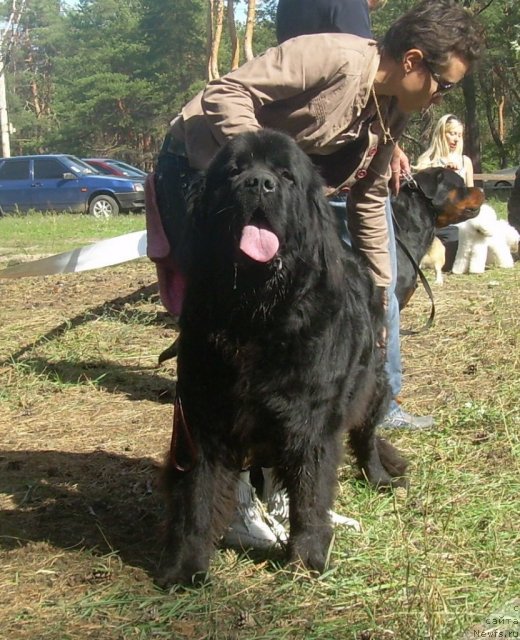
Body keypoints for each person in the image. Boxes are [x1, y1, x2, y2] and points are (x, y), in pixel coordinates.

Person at [150, 0, 482, 549]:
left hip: (271, 197)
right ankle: (216, 502)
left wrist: (379, 294)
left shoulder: (390, 109)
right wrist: (270, 163)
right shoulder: (331, 56)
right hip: (205, 169)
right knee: (216, 341)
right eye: (443, 85)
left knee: (288, 345)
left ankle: (282, 486)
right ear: (414, 62)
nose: (441, 97)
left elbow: (370, 199)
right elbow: (224, 93)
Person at [277, 0, 432, 433]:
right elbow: (366, 89)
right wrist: (382, 143)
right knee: (372, 290)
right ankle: (380, 402)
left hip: (310, 174)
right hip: (335, 174)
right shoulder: (345, 10)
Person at [415, 114, 475, 269]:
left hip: (457, 224)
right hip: (432, 224)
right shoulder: (426, 162)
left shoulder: (465, 162)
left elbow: (470, 199)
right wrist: (443, 174)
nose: (456, 139)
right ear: (441, 134)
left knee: (452, 253)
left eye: (459, 135)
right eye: (452, 133)